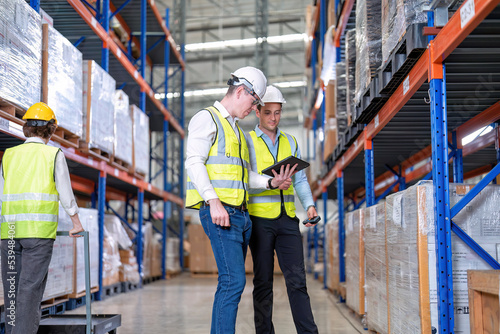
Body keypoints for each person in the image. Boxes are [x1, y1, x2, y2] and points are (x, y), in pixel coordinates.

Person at [185, 67, 296, 334]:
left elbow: (243, 176)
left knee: (232, 281)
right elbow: (193, 161)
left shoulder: (235, 131)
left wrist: (271, 182)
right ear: (240, 91)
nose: (253, 107)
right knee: (233, 281)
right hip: (222, 214)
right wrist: (213, 201)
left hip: (240, 217)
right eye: (254, 101)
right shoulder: (207, 118)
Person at [0, 102, 84, 334]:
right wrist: (76, 222)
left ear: (26, 127)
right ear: (50, 129)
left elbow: (1, 193)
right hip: (37, 235)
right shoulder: (53, 154)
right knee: (29, 289)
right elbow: (65, 193)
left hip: (8, 234)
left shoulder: (9, 155)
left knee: (12, 290)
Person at [246, 85, 319, 334]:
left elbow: (299, 180)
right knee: (263, 283)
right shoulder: (248, 142)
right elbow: (245, 181)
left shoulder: (290, 141)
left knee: (297, 281)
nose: (273, 118)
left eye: (277, 112)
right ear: (257, 111)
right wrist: (271, 183)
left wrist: (308, 206)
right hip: (260, 222)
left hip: (288, 220)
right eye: (268, 113)